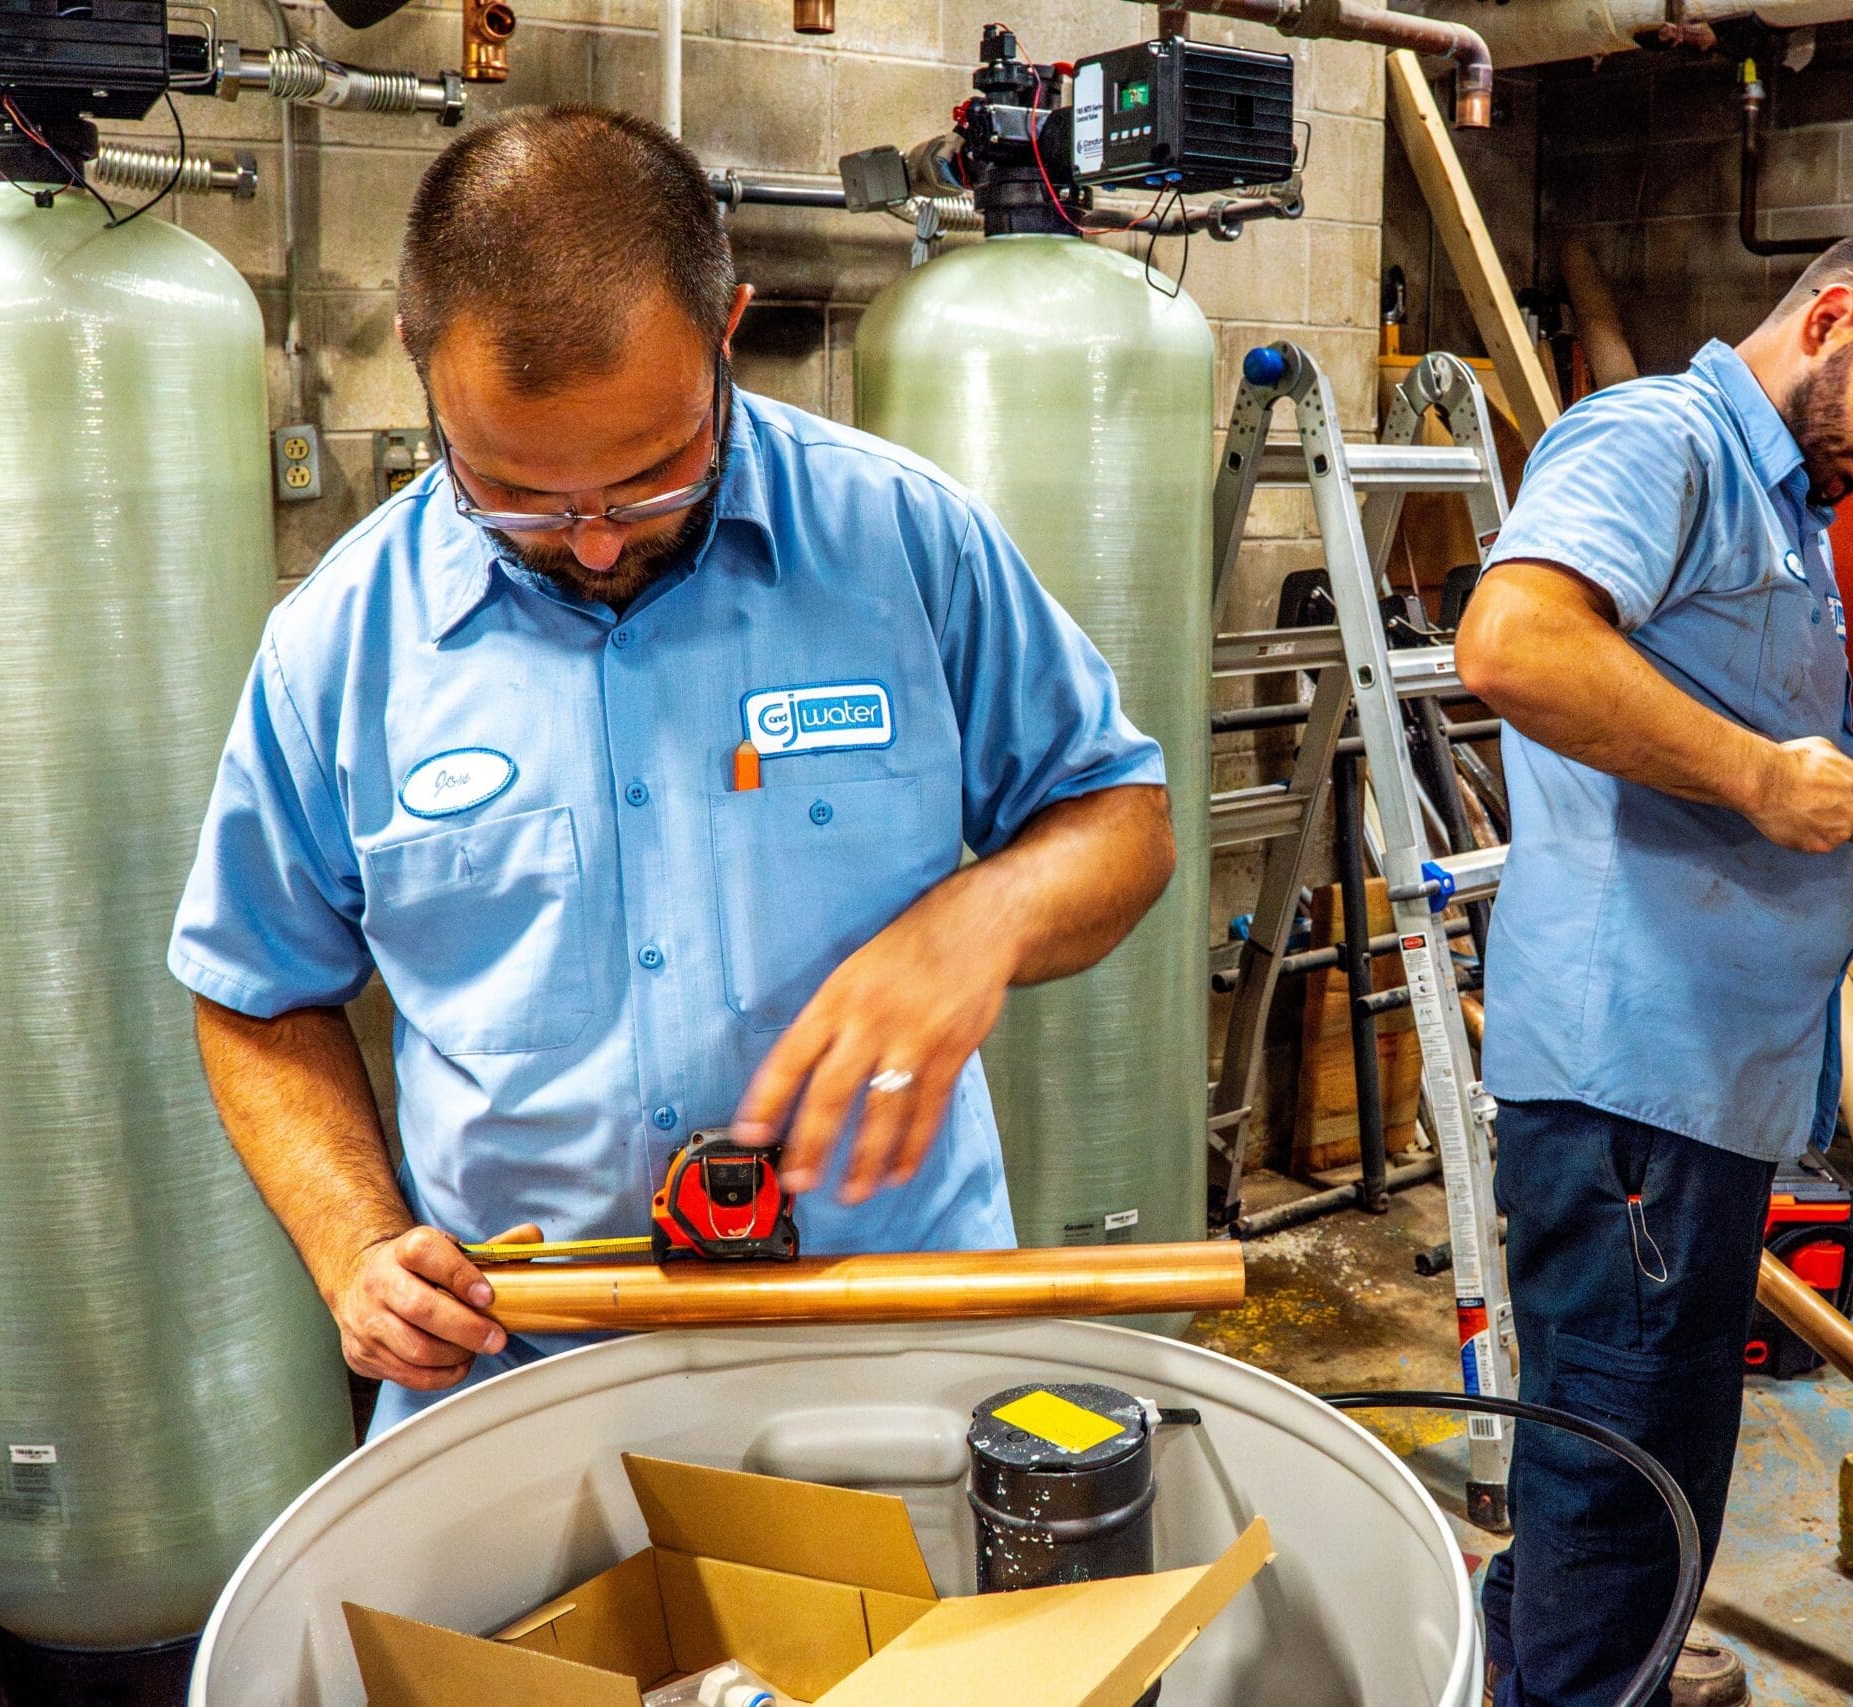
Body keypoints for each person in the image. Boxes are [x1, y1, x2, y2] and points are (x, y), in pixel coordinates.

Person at [168, 105, 1177, 1436]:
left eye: (649, 479)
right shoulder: (335, 650)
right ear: (420, 361)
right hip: (526, 1379)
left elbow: (1124, 820)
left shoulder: (906, 543)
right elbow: (256, 998)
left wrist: (984, 916)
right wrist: (354, 1240)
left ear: (726, 328)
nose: (590, 544)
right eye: (516, 494)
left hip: (893, 1342)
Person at [1453, 228, 1853, 1706]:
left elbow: (1725, 735)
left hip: (1710, 1082)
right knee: (1615, 1466)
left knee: (1647, 1449)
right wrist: (1766, 784)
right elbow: (1512, 643)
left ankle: (1587, 1666)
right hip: (1635, 1080)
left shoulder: (1787, 510)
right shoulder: (1659, 438)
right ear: (1831, 315)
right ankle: (1577, 1680)